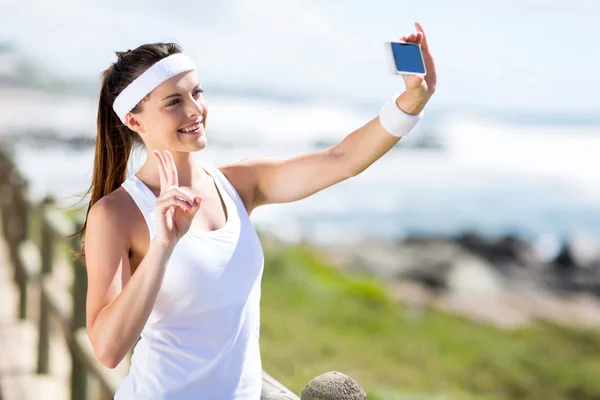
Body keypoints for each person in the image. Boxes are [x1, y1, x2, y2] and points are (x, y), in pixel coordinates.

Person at [81, 22, 436, 400]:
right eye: (173, 102)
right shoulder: (115, 214)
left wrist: (415, 99)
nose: (194, 109)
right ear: (134, 121)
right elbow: (107, 348)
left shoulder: (240, 184)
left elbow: (341, 159)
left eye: (197, 92)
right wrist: (163, 246)